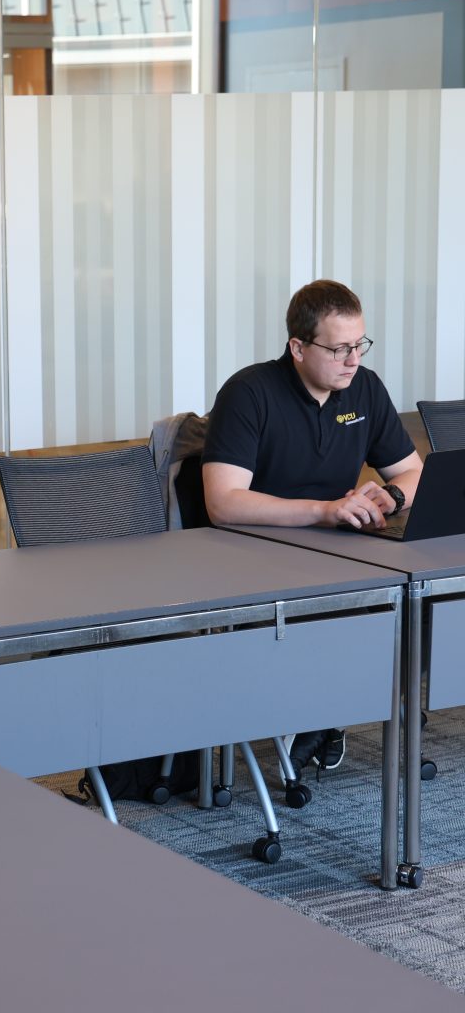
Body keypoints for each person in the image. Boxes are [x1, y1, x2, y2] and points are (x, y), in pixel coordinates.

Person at [202, 279, 423, 775]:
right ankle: (324, 714)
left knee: (416, 591)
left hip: (341, 546)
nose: (353, 360)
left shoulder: (365, 388)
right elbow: (223, 503)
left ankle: (330, 712)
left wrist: (392, 495)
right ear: (298, 348)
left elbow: (413, 471)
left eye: (360, 345)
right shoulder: (249, 393)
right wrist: (325, 511)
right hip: (257, 553)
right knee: (359, 603)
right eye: (339, 348)